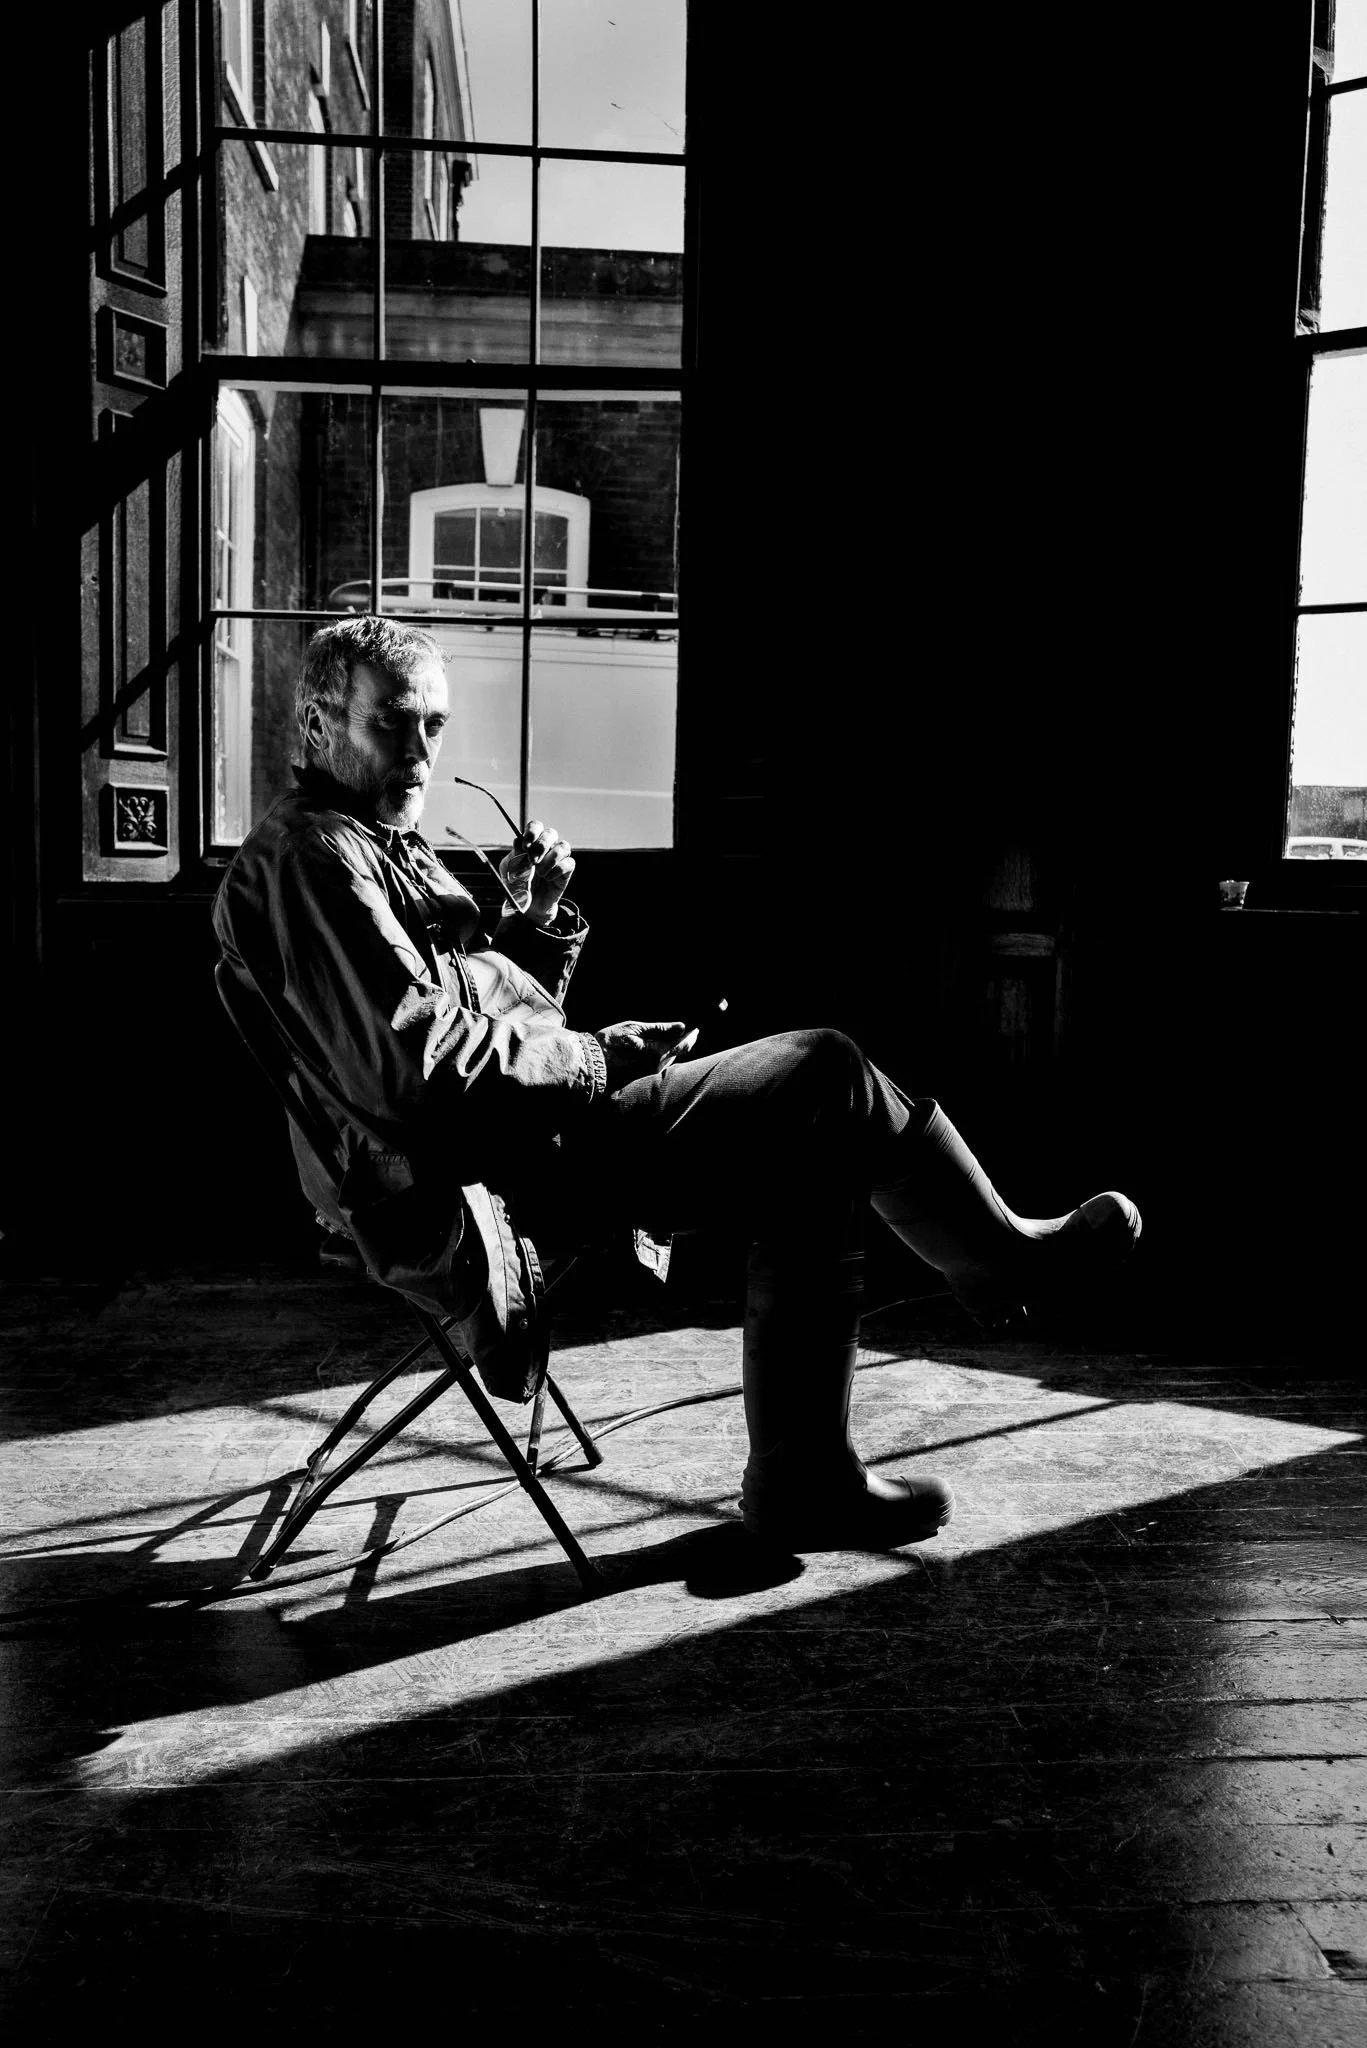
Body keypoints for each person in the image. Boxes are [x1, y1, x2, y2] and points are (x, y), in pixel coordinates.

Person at [214, 616, 1142, 1554]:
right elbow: (422, 1072)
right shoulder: (315, 856)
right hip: (472, 1181)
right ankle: (999, 1262)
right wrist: (605, 1058)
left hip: (498, 1146)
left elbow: (459, 1023)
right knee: (827, 1071)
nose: (421, 753)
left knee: (810, 1148)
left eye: (436, 727)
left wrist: (528, 929)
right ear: (321, 722)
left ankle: (804, 1479)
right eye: (395, 723)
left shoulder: (362, 838)